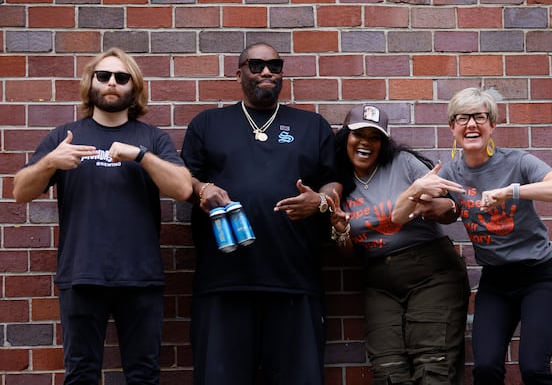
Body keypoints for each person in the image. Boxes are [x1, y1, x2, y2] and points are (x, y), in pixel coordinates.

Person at [12, 47, 193, 385]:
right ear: (91, 83)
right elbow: (20, 191)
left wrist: (142, 157)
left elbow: (183, 189)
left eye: (122, 77)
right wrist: (51, 161)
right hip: (81, 274)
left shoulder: (151, 138)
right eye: (104, 76)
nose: (112, 83)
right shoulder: (64, 137)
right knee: (81, 375)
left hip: (141, 277)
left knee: (144, 376)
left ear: (134, 87)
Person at [394, 87, 552, 385]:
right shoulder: (450, 173)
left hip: (540, 278)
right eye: (462, 117)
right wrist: (415, 190)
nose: (471, 124)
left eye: (480, 116)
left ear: (492, 125)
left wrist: (511, 191)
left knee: (533, 369)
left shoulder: (518, 162)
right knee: (486, 369)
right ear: (452, 127)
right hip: (496, 283)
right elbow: (398, 216)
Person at [180, 42, 340, 385]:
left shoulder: (312, 126)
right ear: (239, 73)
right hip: (223, 281)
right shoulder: (208, 123)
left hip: (294, 281)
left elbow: (334, 183)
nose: (267, 71)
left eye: (275, 66)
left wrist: (321, 202)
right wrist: (202, 190)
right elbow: (184, 180)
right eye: (256, 65)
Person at [327, 104, 471, 385]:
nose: (366, 142)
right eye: (359, 134)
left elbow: (451, 206)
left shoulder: (403, 163)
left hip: (431, 274)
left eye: (375, 136)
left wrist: (436, 207)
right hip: (379, 282)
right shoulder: (338, 184)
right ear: (345, 137)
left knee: (434, 366)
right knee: (388, 371)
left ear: (384, 143)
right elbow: (347, 255)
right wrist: (341, 231)